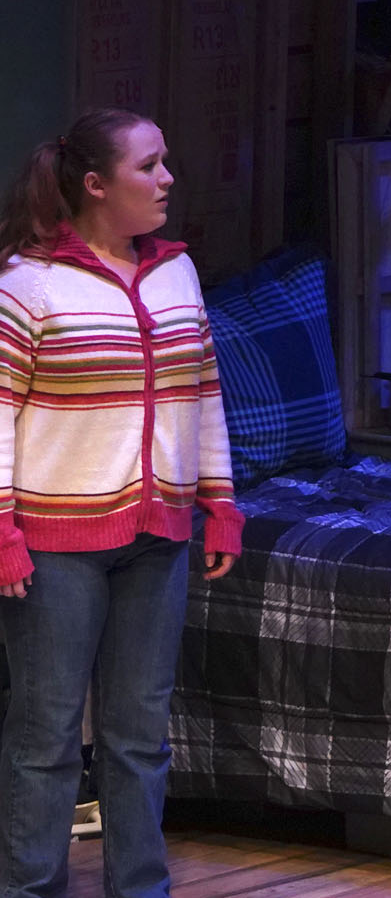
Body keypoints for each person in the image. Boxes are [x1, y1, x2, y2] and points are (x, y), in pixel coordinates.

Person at [0, 107, 240, 898]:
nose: (167, 178)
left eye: (165, 161)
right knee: (46, 735)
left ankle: (140, 889)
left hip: (158, 537)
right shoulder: (28, 285)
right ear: (97, 184)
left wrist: (220, 502)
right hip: (55, 545)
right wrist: (2, 530)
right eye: (149, 165)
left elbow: (202, 392)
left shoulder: (176, 273)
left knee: (140, 734)